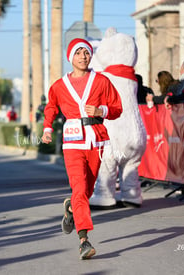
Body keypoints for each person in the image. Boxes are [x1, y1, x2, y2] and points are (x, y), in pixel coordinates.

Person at [41, 38, 122, 260]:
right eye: (78, 53)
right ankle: (84, 240)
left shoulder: (101, 81)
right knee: (79, 188)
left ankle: (71, 210)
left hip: (96, 139)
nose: (83, 57)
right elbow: (51, 107)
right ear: (71, 58)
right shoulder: (59, 86)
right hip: (72, 141)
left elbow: (117, 108)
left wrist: (101, 110)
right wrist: (47, 128)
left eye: (86, 52)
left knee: (87, 189)